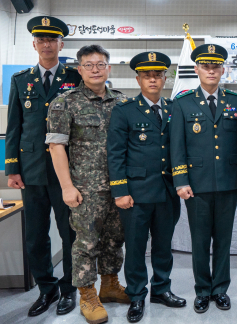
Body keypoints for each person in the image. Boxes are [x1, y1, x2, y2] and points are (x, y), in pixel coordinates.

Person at [4, 15, 81, 318]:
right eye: (42, 39)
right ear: (34, 43)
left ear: (62, 43)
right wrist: (12, 167)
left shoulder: (75, 77)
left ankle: (69, 290)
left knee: (69, 233)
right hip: (33, 169)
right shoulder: (21, 80)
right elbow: (14, 126)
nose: (47, 44)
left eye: (53, 39)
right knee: (35, 235)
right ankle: (46, 289)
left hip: (68, 173)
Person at [46, 45, 129, 324]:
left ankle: (109, 285)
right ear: (79, 69)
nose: (95, 69)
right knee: (85, 243)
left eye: (100, 64)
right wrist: (67, 187)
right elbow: (57, 147)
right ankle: (87, 295)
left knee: (114, 239)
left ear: (109, 68)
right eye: (89, 65)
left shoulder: (122, 102)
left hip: (118, 187)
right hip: (84, 189)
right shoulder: (65, 102)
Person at [170, 44, 237, 314]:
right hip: (196, 184)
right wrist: (181, 180)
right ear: (196, 69)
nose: (211, 70)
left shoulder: (235, 101)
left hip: (229, 183)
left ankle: (220, 289)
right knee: (200, 240)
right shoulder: (182, 103)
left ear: (222, 70)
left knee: (224, 240)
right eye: (205, 66)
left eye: (215, 66)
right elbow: (177, 146)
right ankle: (203, 290)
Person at [107, 52, 186, 322]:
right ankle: (137, 295)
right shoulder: (124, 110)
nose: (153, 79)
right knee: (137, 247)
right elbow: (115, 153)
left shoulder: (176, 108)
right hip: (136, 194)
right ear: (138, 78)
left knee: (164, 246)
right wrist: (120, 191)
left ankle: (161, 289)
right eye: (146, 75)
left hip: (167, 192)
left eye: (158, 74)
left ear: (166, 77)